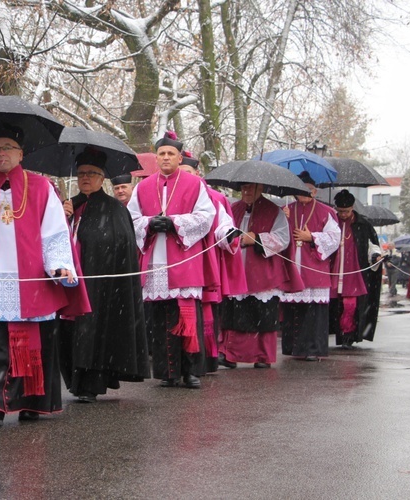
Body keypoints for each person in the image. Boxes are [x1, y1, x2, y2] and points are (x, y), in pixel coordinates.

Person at [0, 124, 89, 426]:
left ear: (20, 153)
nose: (0, 153)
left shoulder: (41, 187)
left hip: (29, 276)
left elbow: (55, 231)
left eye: (7, 147)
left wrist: (57, 265)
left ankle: (32, 402)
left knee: (31, 343)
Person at [58, 148, 149, 402]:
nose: (85, 178)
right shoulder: (69, 206)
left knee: (94, 331)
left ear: (102, 178)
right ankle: (75, 382)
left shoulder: (114, 210)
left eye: (92, 174)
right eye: (81, 174)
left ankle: (91, 383)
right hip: (70, 280)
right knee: (68, 332)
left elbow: (117, 244)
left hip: (101, 283)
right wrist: (63, 218)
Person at [127, 132, 216, 388]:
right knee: (161, 318)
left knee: (187, 317)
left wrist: (175, 222)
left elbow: (206, 216)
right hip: (155, 260)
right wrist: (150, 223)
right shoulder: (143, 187)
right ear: (156, 158)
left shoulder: (194, 183)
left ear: (179, 157)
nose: (166, 158)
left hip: (183, 258)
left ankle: (192, 371)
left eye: (170, 154)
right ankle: (168, 372)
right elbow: (130, 218)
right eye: (162, 154)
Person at [219, 183, 301, 369]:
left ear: (260, 188)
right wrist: (232, 239)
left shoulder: (274, 211)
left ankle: (262, 356)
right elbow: (223, 232)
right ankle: (231, 355)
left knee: (261, 316)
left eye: (252, 188)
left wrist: (256, 239)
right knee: (234, 313)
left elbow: (283, 239)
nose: (247, 191)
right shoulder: (233, 209)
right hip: (237, 269)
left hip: (263, 271)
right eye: (244, 188)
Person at [179, 156, 246, 372]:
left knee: (207, 311)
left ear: (197, 174)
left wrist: (229, 235)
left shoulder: (215, 198)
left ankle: (208, 358)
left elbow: (223, 225)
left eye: (189, 172)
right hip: (179, 263)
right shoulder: (172, 197)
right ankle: (184, 360)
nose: (185, 176)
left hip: (206, 262)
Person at [280, 171, 341, 361]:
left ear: (315, 192)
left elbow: (334, 238)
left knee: (313, 312)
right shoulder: (287, 209)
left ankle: (313, 349)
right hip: (293, 265)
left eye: (309, 190)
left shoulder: (327, 212)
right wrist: (283, 219)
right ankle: (294, 348)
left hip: (314, 265)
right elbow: (279, 235)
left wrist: (312, 237)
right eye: (302, 189)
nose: (306, 193)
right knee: (294, 311)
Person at [329, 189, 383, 347]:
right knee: (335, 305)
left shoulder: (363, 224)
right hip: (333, 270)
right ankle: (337, 333)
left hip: (354, 271)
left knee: (350, 305)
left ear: (352, 208)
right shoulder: (332, 222)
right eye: (340, 211)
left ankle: (348, 334)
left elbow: (372, 246)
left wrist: (376, 257)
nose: (343, 215)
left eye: (346, 211)